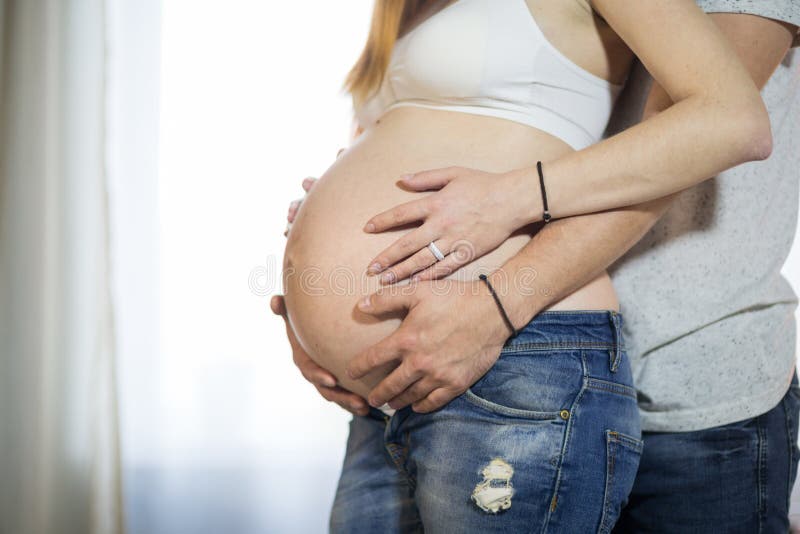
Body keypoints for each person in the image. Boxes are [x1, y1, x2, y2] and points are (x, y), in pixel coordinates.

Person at [277, 0, 800, 531]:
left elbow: (721, 121)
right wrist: (308, 310)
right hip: (398, 383)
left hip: (528, 350)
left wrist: (508, 221)